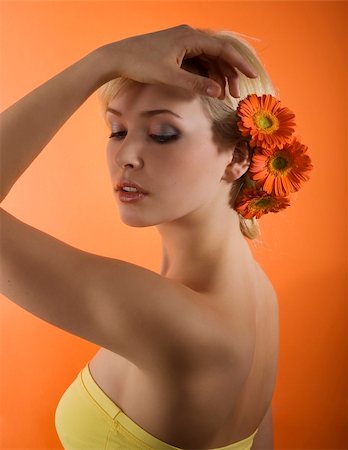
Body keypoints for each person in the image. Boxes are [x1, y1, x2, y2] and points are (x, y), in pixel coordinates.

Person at [1, 24, 280, 449]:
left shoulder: (170, 320)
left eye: (162, 134)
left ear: (238, 158)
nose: (126, 156)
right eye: (117, 130)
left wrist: (103, 60)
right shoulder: (260, 298)